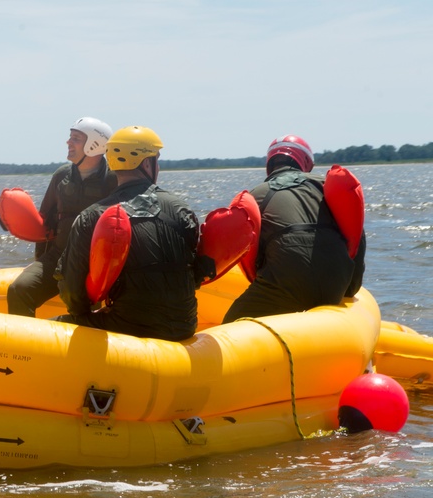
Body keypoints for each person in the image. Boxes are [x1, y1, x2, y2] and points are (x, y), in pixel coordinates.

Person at [55, 126, 200, 341]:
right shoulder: (181, 208)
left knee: (51, 327)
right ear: (146, 163)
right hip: (185, 326)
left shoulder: (91, 217)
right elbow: (195, 274)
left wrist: (87, 314)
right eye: (156, 161)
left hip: (127, 328)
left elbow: (73, 293)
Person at [223, 135, 366, 323]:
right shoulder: (324, 186)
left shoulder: (256, 194)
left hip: (285, 284)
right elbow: (355, 233)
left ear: (270, 164)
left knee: (231, 324)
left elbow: (251, 253)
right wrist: (350, 288)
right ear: (306, 162)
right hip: (336, 282)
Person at [7, 117, 119, 316]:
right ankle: (25, 345)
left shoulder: (113, 179)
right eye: (70, 137)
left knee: (84, 309)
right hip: (59, 254)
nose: (68, 143)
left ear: (94, 144)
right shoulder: (61, 175)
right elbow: (46, 222)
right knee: (19, 290)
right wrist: (39, 261)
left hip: (94, 262)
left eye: (76, 138)